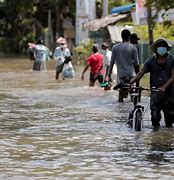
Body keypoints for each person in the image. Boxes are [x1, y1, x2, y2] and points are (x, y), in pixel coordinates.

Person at [130, 38, 174, 128]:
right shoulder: (151, 61)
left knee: (169, 121)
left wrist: (164, 87)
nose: (161, 48)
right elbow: (141, 73)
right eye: (159, 46)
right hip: (155, 94)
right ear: (156, 49)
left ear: (167, 48)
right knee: (154, 118)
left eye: (163, 46)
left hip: (169, 94)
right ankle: (155, 139)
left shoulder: (172, 60)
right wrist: (131, 82)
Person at [107, 29, 140, 102]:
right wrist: (138, 76)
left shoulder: (115, 47)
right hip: (132, 75)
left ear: (121, 36)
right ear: (129, 37)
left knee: (120, 97)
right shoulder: (133, 48)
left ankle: (120, 112)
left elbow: (111, 63)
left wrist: (108, 76)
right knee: (133, 96)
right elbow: (136, 63)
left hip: (121, 75)